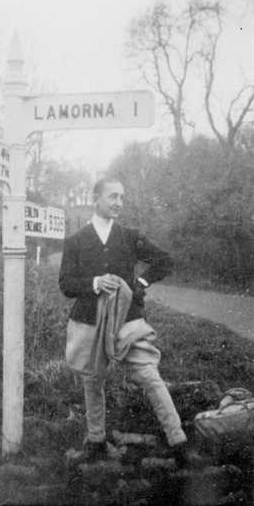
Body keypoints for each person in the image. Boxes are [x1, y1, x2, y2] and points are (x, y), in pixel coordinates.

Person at [59, 177, 202, 466]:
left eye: (122, 197)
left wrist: (139, 283)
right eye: (113, 196)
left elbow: (164, 260)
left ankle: (179, 443)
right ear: (96, 198)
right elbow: (66, 284)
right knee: (92, 380)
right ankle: (96, 441)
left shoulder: (129, 235)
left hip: (128, 318)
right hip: (89, 320)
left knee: (150, 375)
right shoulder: (76, 241)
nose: (118, 203)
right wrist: (96, 281)